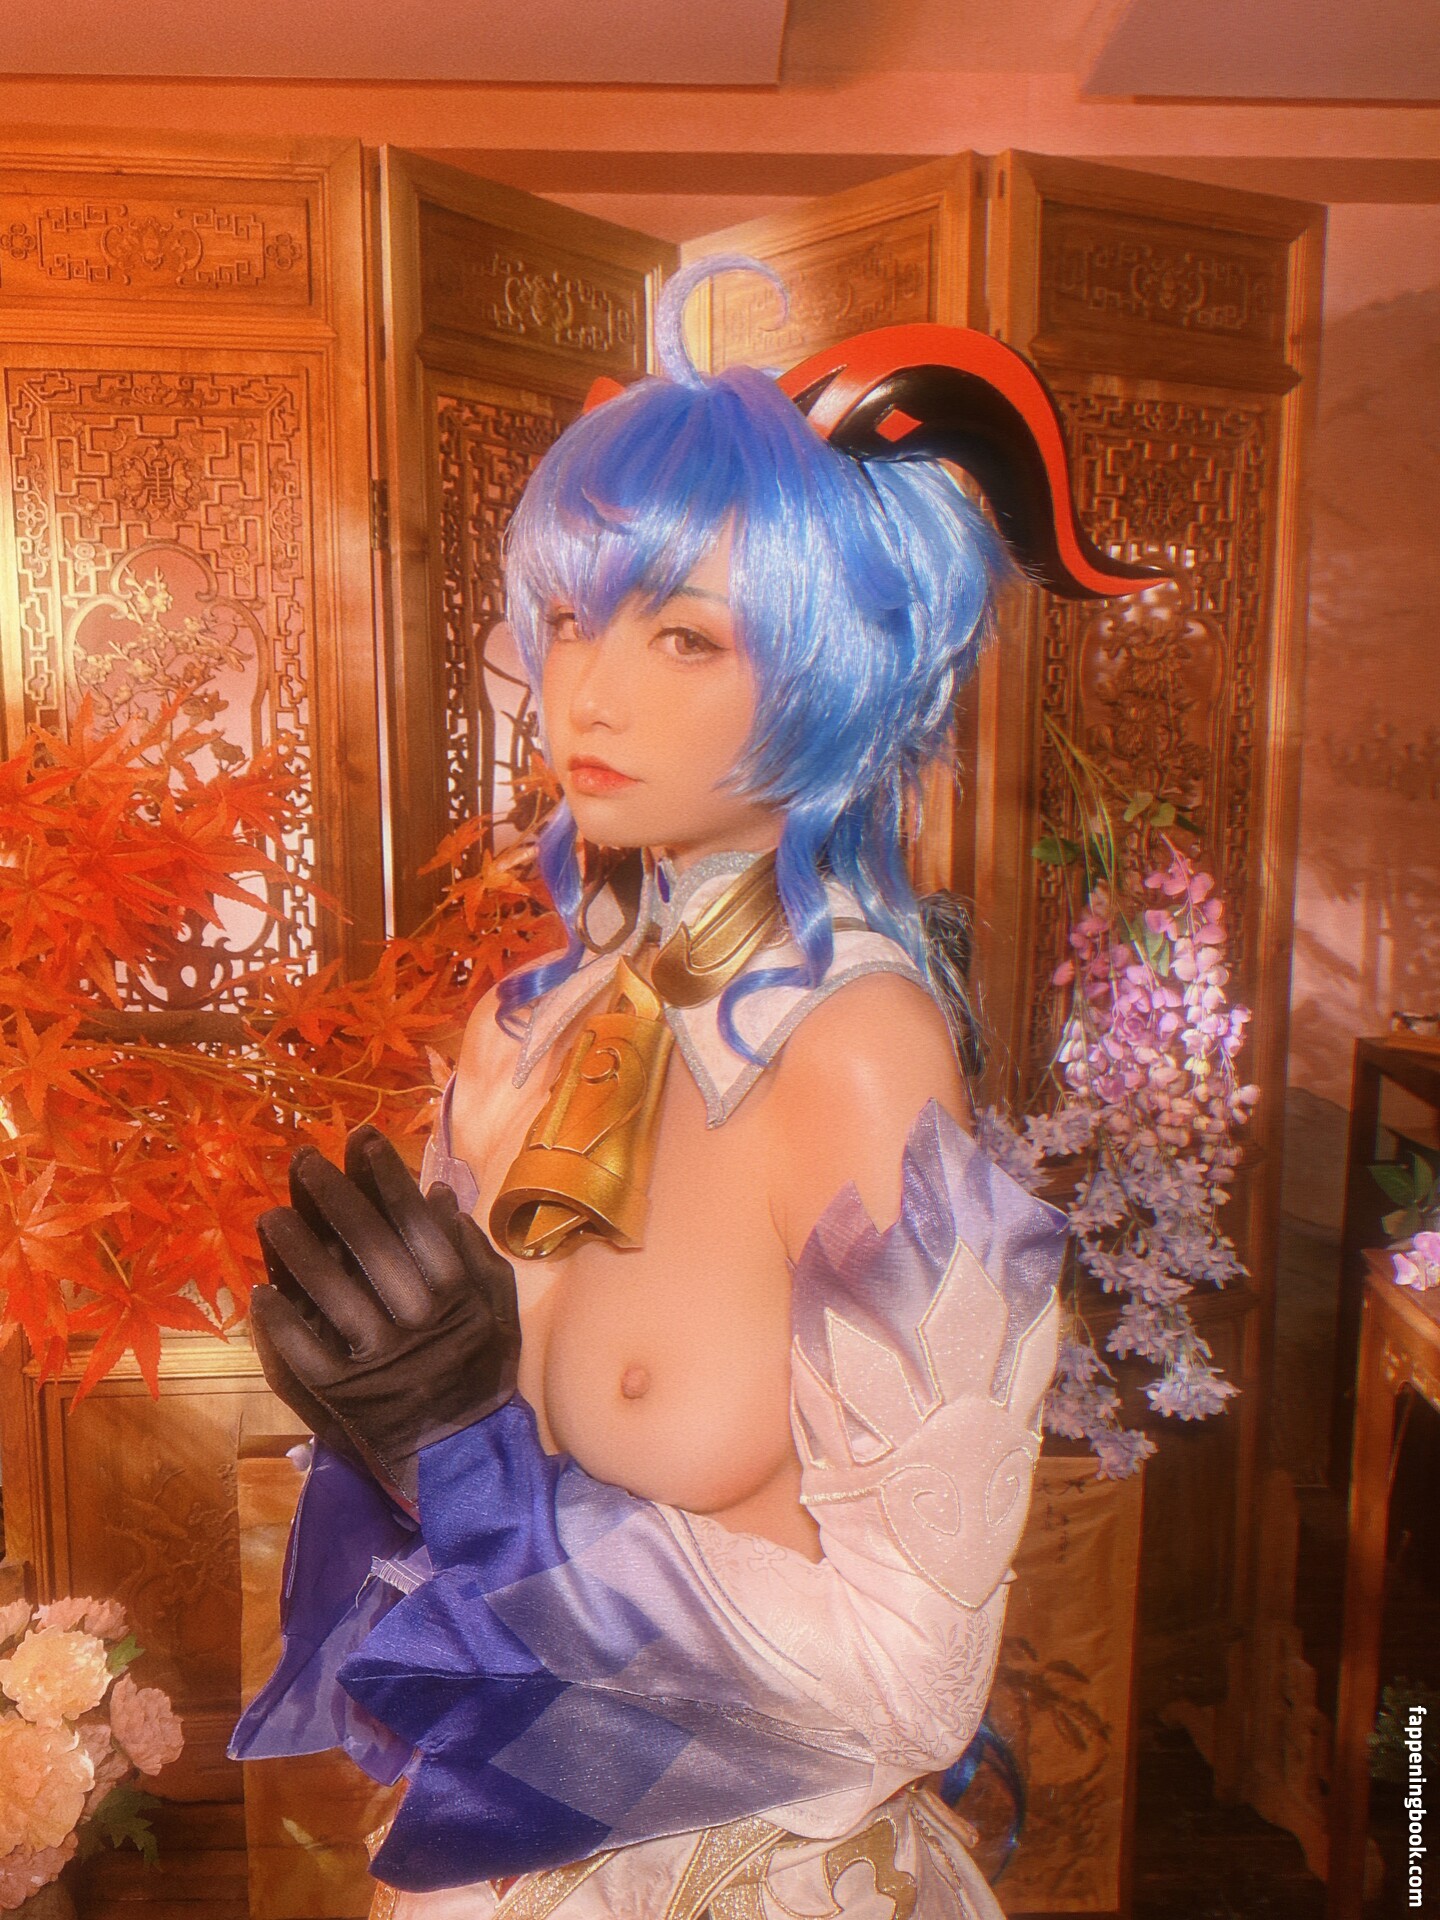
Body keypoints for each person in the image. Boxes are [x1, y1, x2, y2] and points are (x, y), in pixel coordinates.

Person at [232, 258, 1154, 1919]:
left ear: (831, 672)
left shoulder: (857, 1057)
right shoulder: (521, 1036)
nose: (590, 691)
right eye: (570, 618)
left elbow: (912, 1692)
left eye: (685, 635)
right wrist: (385, 1450)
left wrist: (466, 1464)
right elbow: (440, 1585)